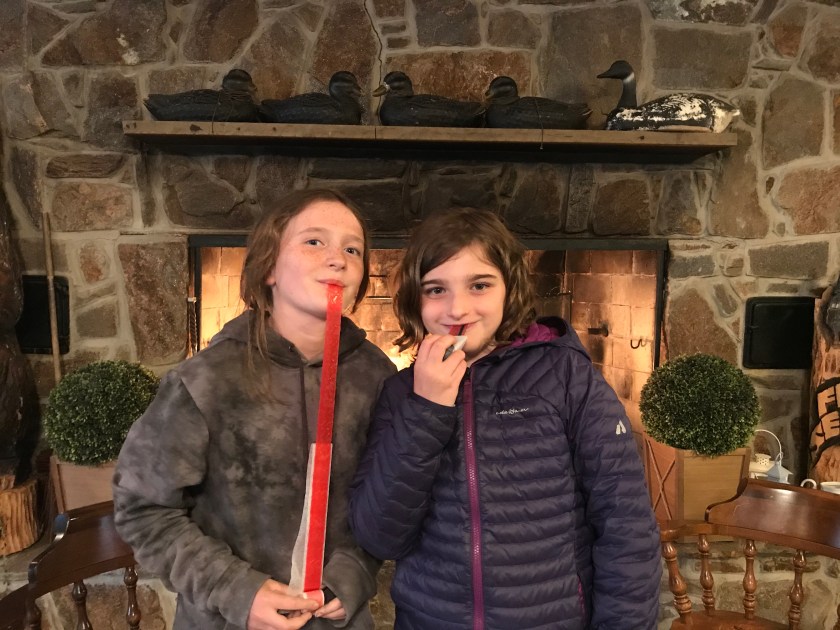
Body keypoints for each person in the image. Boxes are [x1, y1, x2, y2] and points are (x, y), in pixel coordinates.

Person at [348, 207, 662, 629]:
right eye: (436, 289)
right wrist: (426, 408)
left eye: (479, 285)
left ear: (509, 287)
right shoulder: (400, 393)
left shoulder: (566, 376)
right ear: (413, 299)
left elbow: (626, 524)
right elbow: (381, 537)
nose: (458, 308)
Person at [113, 189, 396, 630]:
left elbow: (387, 498)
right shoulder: (205, 379)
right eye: (314, 241)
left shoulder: (377, 376)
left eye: (352, 249)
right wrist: (236, 590)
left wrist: (356, 572)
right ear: (269, 268)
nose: (337, 259)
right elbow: (143, 510)